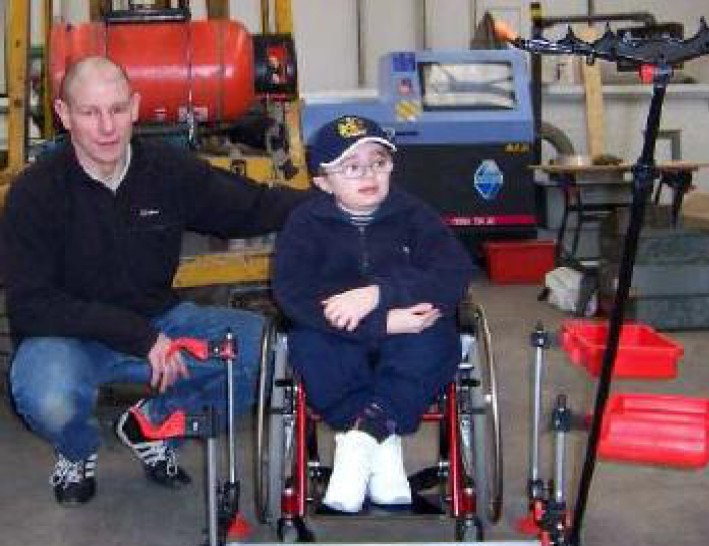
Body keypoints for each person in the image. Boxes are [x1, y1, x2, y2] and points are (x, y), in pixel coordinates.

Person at [1, 55, 308, 506]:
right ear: (64, 115)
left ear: (135, 106)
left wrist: (335, 201)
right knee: (46, 394)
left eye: (117, 109)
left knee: (270, 353)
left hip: (162, 322)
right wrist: (138, 336)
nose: (107, 127)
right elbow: (31, 306)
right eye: (90, 112)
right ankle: (76, 451)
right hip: (68, 338)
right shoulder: (35, 192)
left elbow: (251, 207)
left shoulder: (167, 170)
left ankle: (153, 425)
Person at [272, 115, 475, 513]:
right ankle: (379, 441)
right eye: (351, 167)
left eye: (378, 162)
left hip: (408, 327)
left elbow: (453, 272)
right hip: (338, 332)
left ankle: (361, 440)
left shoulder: (414, 215)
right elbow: (293, 294)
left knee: (436, 340)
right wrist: (379, 323)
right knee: (312, 346)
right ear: (323, 181)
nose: (368, 174)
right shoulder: (304, 224)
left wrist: (380, 294)